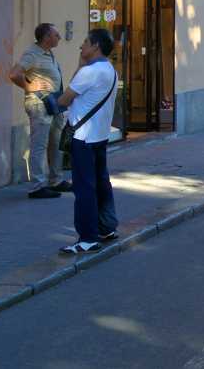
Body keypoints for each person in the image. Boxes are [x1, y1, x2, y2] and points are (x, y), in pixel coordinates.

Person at [56, 29, 120, 255]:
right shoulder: (111, 70)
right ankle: (107, 227)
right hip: (100, 136)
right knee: (102, 183)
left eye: (85, 42)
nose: (81, 46)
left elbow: (64, 99)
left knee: (84, 188)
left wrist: (79, 66)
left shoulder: (88, 72)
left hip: (82, 137)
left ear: (95, 46)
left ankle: (87, 238)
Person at [9, 23, 70, 198]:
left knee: (56, 143)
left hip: (54, 103)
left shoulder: (48, 52)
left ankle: (56, 180)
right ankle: (37, 186)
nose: (59, 37)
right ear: (46, 37)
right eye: (56, 35)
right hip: (39, 104)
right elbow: (14, 74)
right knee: (39, 145)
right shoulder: (32, 53)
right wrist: (30, 86)